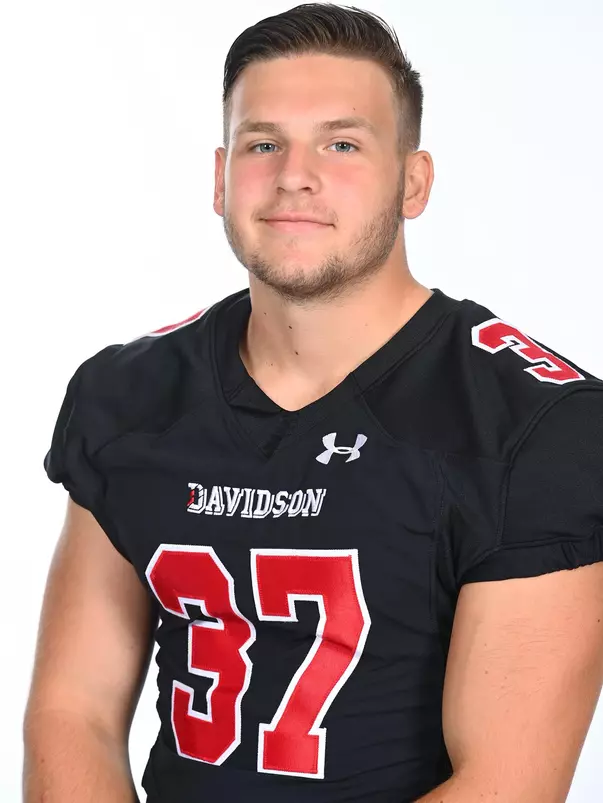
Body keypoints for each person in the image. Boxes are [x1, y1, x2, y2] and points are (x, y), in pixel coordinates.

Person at [23, 3, 603, 802]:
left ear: (412, 182)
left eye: (341, 144)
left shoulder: (535, 423)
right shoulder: (126, 394)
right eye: (263, 143)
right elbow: (72, 710)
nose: (294, 175)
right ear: (220, 177)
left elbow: (506, 785)